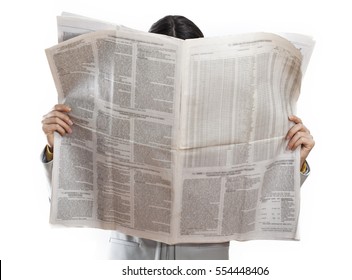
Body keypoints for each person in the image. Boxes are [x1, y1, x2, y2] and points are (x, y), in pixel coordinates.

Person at [41, 15, 315, 260]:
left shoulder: (232, 118)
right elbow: (74, 202)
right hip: (132, 263)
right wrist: (59, 147)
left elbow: (259, 204)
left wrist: (293, 161)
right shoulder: (117, 113)